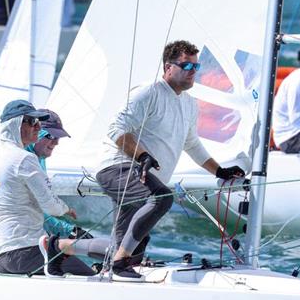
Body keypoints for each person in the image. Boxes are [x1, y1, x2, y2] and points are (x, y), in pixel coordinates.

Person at [96, 40, 246, 280]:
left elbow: (192, 144)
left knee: (127, 248)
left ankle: (61, 248)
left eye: (196, 67)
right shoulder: (149, 92)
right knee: (162, 198)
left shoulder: (188, 103)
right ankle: (120, 263)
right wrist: (143, 156)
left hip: (144, 175)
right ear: (168, 67)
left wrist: (220, 172)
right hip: (118, 168)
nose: (192, 72)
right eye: (186, 66)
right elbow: (116, 129)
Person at [0, 100, 93, 277]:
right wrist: (66, 209)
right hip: (25, 252)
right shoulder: (24, 159)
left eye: (39, 123)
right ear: (15, 123)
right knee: (90, 277)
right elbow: (51, 208)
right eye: (32, 122)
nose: (38, 127)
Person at [27, 109, 111, 264]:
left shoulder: (39, 157)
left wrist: (70, 229)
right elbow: (35, 209)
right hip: (23, 246)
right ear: (35, 132)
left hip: (35, 239)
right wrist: (69, 230)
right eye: (50, 136)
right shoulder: (27, 161)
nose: (56, 142)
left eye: (58, 137)